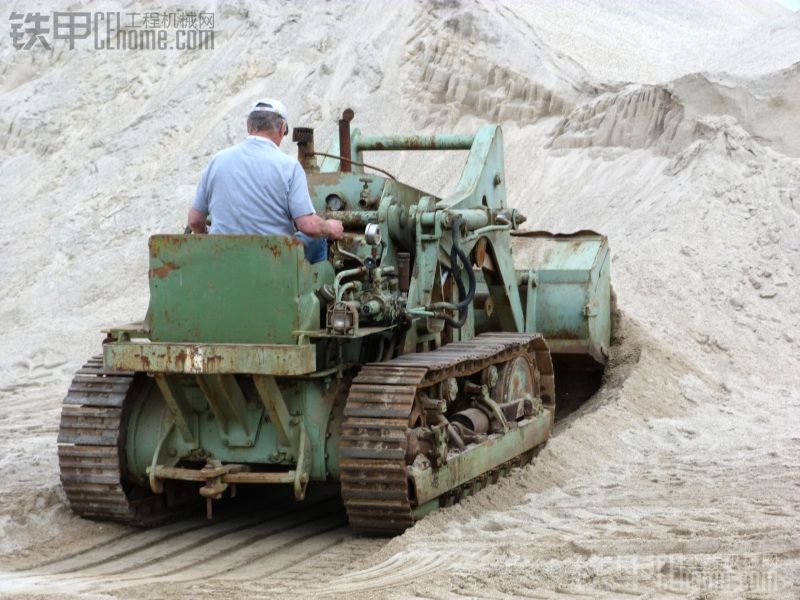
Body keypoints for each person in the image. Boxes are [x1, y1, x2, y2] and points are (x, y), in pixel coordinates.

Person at [187, 98, 343, 262]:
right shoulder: (289, 166)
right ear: (282, 128)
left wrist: (206, 235)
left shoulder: (216, 161)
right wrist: (330, 227)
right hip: (272, 262)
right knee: (319, 238)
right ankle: (316, 287)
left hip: (222, 259)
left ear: (249, 126)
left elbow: (195, 220)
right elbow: (308, 226)